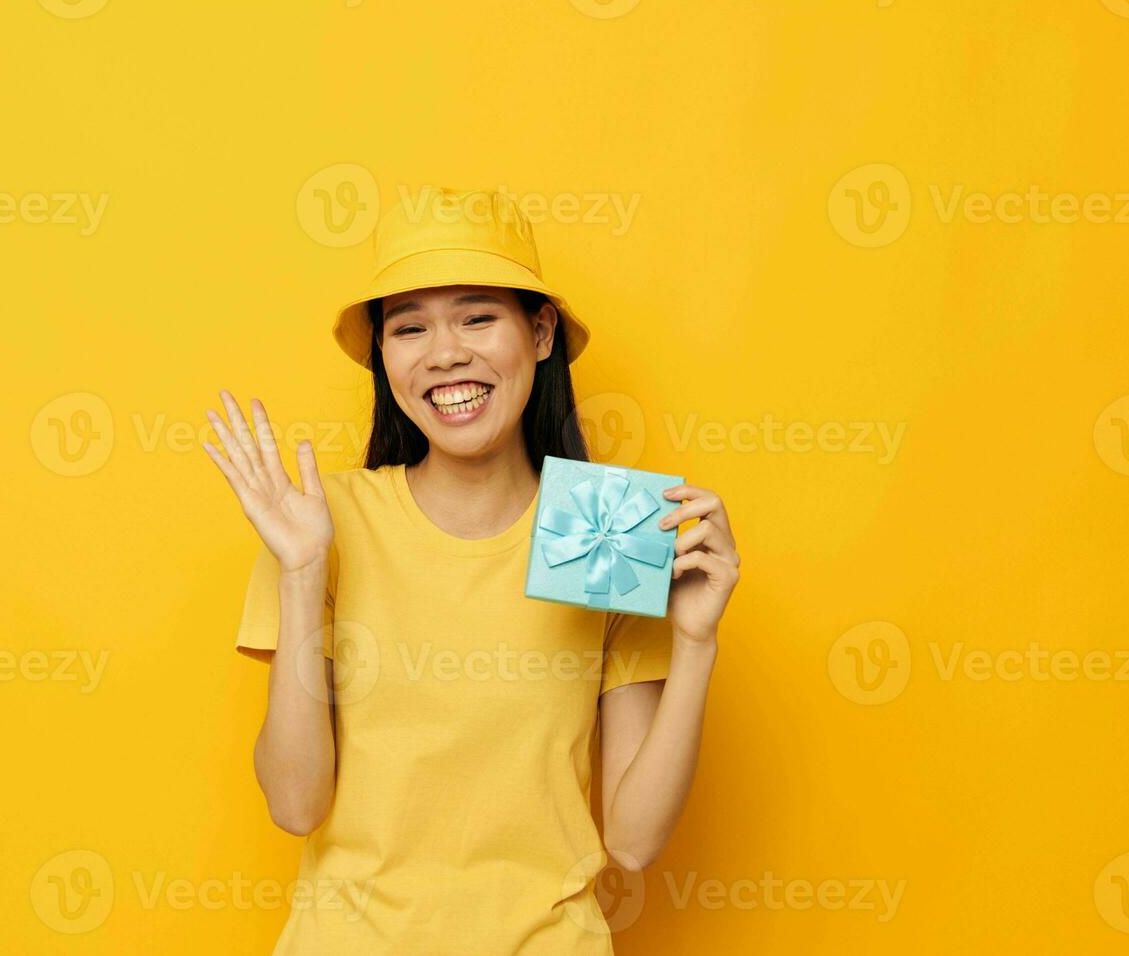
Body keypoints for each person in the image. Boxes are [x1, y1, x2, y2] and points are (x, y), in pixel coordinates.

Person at [202, 186, 740, 954]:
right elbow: (294, 803)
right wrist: (299, 571)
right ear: (384, 358)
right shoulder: (321, 523)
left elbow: (633, 840)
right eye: (409, 327)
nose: (445, 352)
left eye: (478, 316)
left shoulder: (607, 528)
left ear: (541, 332)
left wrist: (694, 643)